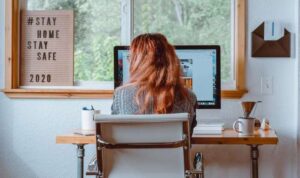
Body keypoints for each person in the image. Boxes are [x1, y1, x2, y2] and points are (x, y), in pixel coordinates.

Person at [111, 33, 197, 132]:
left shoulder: (121, 94)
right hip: (171, 148)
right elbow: (187, 139)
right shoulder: (189, 97)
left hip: (132, 148)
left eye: (131, 58)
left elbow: (116, 132)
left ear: (138, 62)